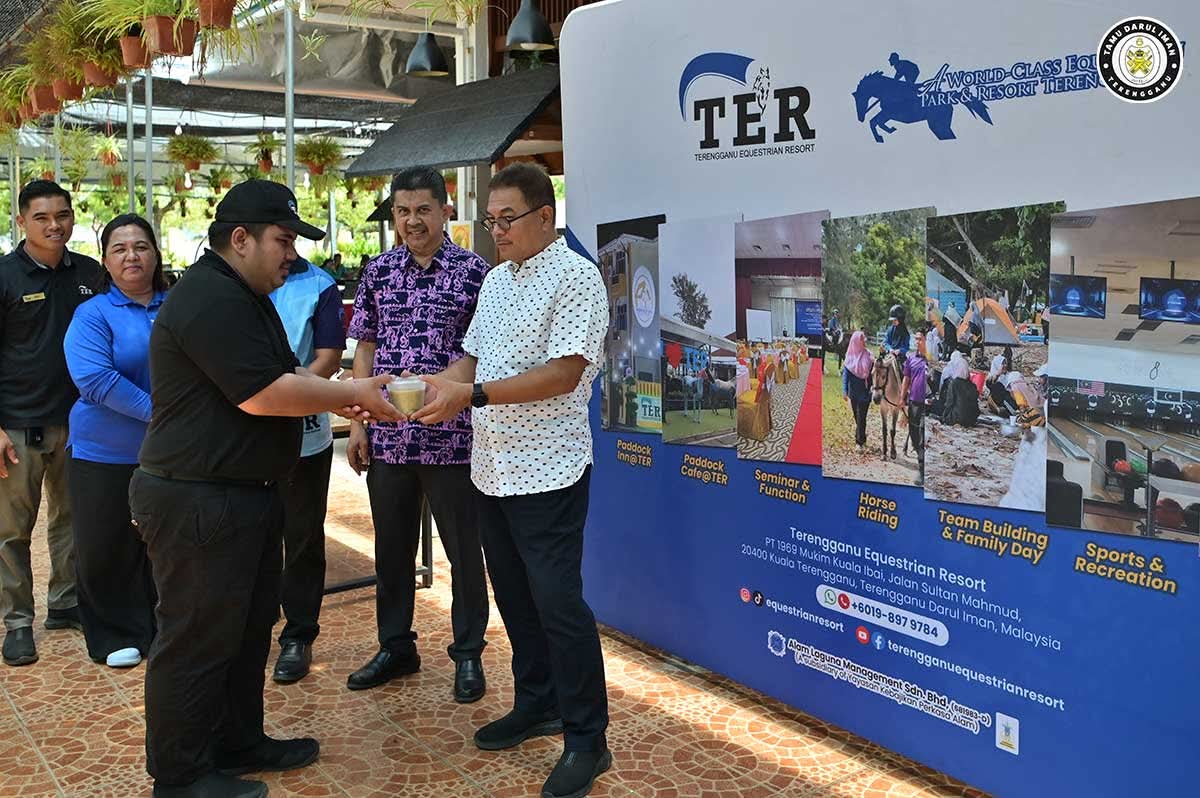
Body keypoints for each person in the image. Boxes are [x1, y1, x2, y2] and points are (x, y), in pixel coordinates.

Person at [128, 180, 402, 798]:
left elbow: (287, 374)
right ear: (241, 239)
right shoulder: (211, 299)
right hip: (198, 498)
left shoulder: (244, 295)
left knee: (247, 630)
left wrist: (345, 395)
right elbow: (263, 394)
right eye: (283, 240)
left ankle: (237, 741)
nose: (291, 254)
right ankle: (180, 776)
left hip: (241, 494)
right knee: (196, 639)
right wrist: (351, 394)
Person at [408, 163, 613, 798]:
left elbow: (564, 373)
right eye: (489, 220)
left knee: (558, 604)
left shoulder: (577, 278)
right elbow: (472, 357)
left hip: (549, 469)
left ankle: (588, 739)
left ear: (545, 216)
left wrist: (471, 395)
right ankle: (536, 702)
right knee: (516, 597)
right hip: (491, 467)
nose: (496, 231)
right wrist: (436, 385)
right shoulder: (496, 280)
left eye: (508, 219)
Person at [344, 166, 490, 701]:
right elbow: (364, 348)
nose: (412, 221)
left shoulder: (475, 273)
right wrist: (358, 424)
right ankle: (396, 646)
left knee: (464, 552)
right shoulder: (378, 272)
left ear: (445, 211)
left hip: (454, 438)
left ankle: (468, 653)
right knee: (392, 549)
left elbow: (483, 353)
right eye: (403, 211)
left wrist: (448, 390)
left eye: (423, 210)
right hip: (388, 438)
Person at [0, 180, 102, 667]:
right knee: (11, 530)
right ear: (22, 221)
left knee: (72, 519)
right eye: (41, 217)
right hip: (18, 424)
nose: (54, 225)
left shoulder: (90, 273)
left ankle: (65, 603)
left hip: (80, 421)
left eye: (62, 215)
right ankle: (17, 622)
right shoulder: (4, 276)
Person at [62, 214, 164, 669]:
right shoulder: (93, 314)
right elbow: (95, 379)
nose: (131, 256)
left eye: (140, 246)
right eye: (119, 248)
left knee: (164, 545)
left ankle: (162, 628)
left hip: (168, 452)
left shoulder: (178, 307)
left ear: (156, 254)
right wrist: (163, 414)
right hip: (102, 451)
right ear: (105, 260)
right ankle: (113, 634)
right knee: (105, 545)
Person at [267, 255, 346, 684]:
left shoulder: (319, 284)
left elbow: (329, 358)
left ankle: (298, 635)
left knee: (301, 537)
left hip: (305, 433)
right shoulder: (233, 280)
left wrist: (289, 395)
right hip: (246, 434)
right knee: (251, 535)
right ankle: (253, 626)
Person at [901, 333, 929, 486]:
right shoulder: (911, 358)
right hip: (914, 403)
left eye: (920, 339)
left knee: (923, 435)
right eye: (916, 339)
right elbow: (906, 379)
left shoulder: (932, 359)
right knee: (914, 435)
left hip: (928, 405)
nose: (917, 342)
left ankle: (923, 471)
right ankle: (921, 461)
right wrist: (901, 399)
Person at [842, 331, 873, 454]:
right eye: (862, 339)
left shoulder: (869, 356)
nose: (864, 341)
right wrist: (844, 391)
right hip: (854, 393)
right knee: (857, 417)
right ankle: (862, 437)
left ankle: (859, 443)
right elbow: (845, 376)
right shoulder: (849, 357)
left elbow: (873, 374)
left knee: (861, 417)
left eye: (864, 339)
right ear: (856, 342)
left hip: (865, 392)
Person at [883, 304, 910, 377]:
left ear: (900, 319)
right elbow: (886, 342)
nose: (893, 322)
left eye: (895, 320)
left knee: (905, 372)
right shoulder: (890, 330)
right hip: (890, 354)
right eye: (892, 320)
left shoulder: (905, 333)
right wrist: (890, 349)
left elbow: (906, 347)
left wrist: (900, 350)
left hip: (900, 358)